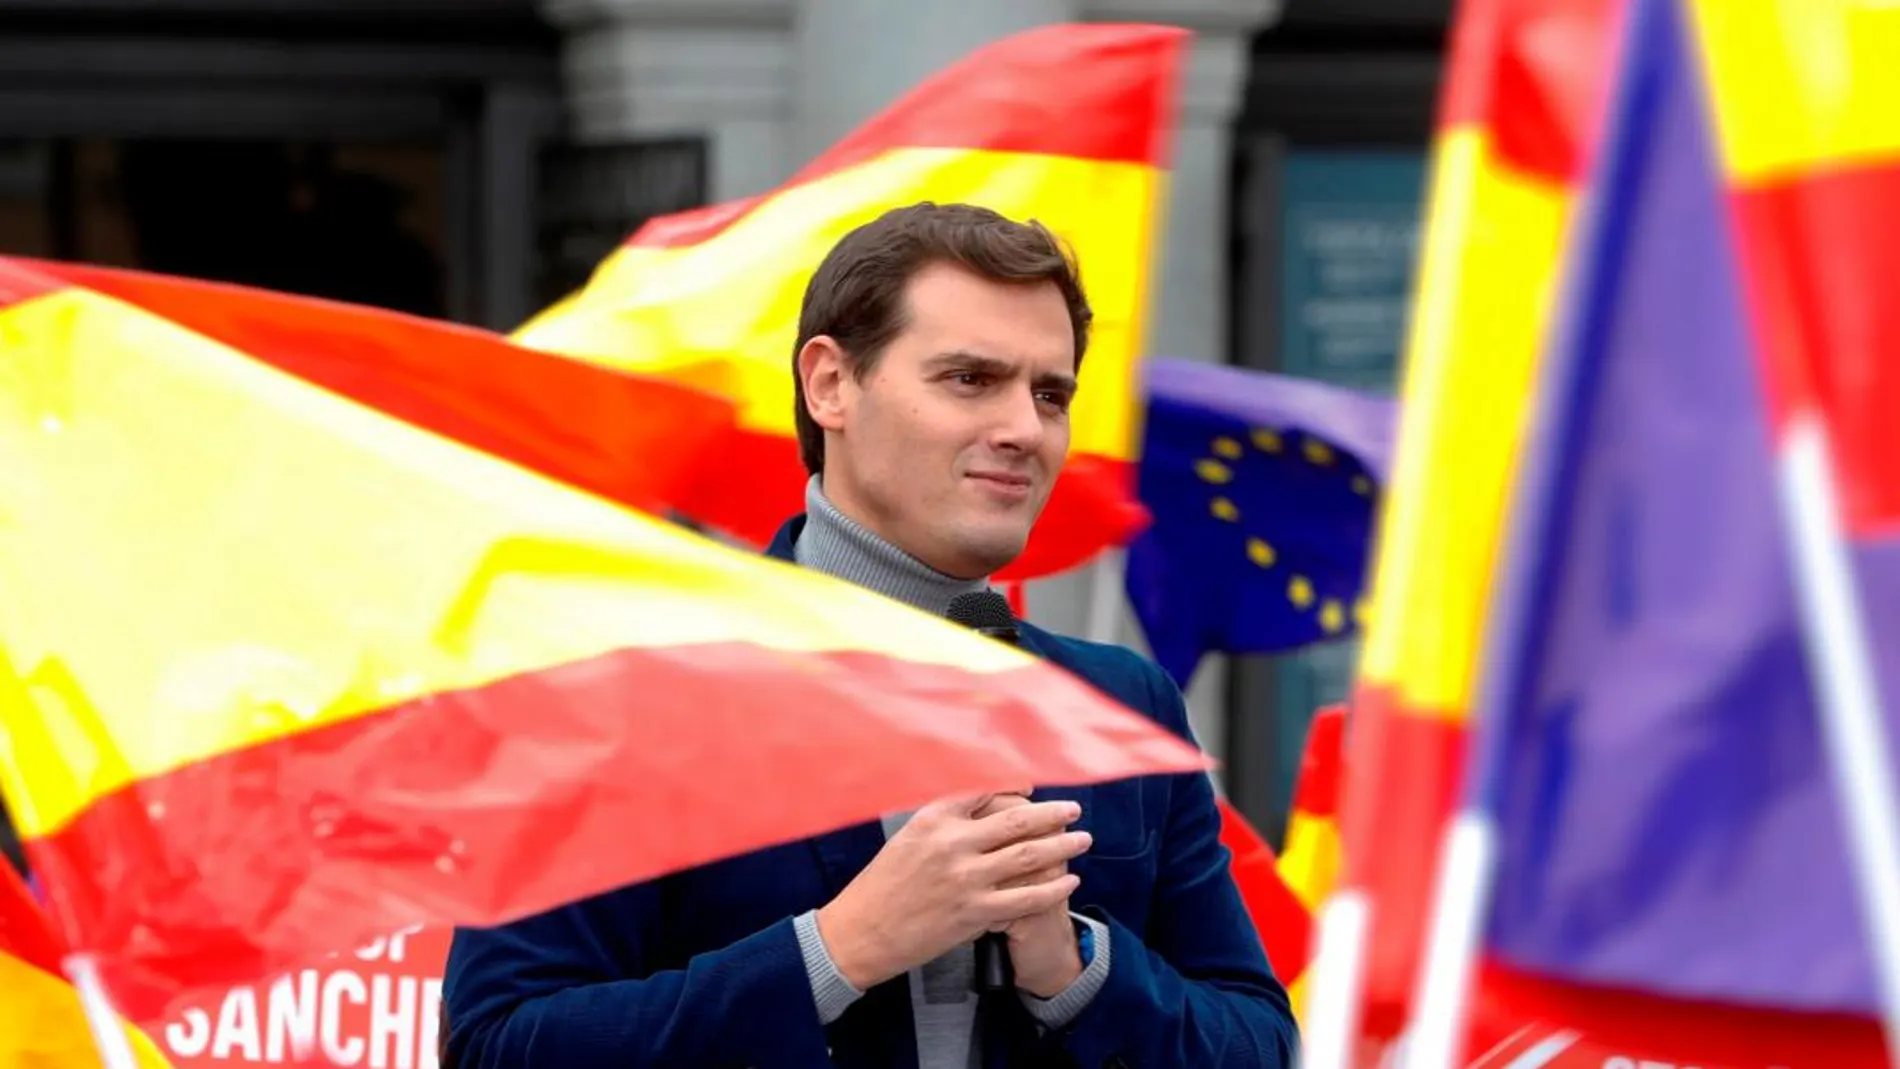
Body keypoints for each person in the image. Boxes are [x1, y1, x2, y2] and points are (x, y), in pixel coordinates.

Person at [442, 202, 1299, 1069]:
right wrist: (840, 948)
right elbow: (500, 1045)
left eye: (1051, 393)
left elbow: (1261, 1045)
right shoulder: (622, 685)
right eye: (969, 378)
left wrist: (1071, 963)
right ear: (829, 385)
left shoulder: (1119, 701)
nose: (1022, 429)